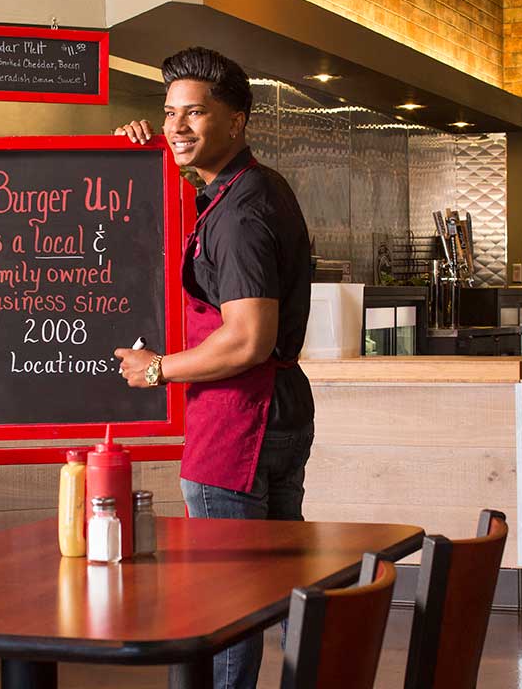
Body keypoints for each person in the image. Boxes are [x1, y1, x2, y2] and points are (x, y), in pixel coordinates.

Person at [112, 47, 315, 689]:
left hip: (239, 421)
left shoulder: (240, 212)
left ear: (238, 121)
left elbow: (248, 339)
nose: (177, 127)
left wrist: (157, 370)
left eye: (195, 113)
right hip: (277, 411)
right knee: (280, 587)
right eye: (169, 113)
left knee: (226, 604)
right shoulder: (245, 189)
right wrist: (136, 155)